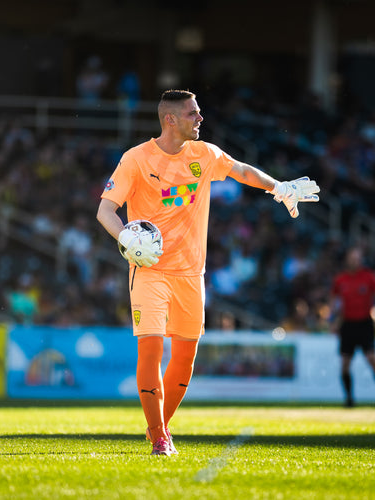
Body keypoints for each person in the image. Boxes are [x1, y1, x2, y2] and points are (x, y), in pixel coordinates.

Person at [96, 89, 320, 456]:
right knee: (150, 349)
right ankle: (158, 438)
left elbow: (241, 171)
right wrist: (124, 236)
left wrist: (278, 186)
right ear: (170, 119)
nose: (200, 119)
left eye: (198, 113)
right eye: (192, 114)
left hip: (191, 274)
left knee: (185, 357)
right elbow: (105, 210)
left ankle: (161, 428)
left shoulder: (205, 153)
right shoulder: (136, 159)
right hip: (149, 270)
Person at [330, 246, 375, 407]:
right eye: (352, 258)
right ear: (347, 260)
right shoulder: (340, 280)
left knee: (372, 359)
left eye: (358, 258)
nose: (355, 261)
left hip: (364, 323)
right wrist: (332, 320)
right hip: (347, 324)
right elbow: (335, 302)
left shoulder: (369, 277)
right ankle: (349, 398)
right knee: (345, 364)